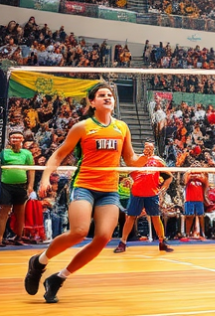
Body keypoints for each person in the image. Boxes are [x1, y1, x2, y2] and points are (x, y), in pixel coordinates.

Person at [24, 82, 150, 303]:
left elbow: (129, 160)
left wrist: (145, 158)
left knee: (103, 237)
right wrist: (44, 178)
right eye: (102, 95)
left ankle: (58, 278)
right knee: (80, 231)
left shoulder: (122, 127)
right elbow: (59, 154)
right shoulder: (82, 127)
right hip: (84, 185)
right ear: (93, 102)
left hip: (109, 190)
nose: (107, 97)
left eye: (110, 95)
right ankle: (39, 262)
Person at [114, 141, 174, 253]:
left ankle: (162, 242)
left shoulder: (158, 161)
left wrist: (162, 190)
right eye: (146, 147)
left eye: (150, 148)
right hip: (136, 193)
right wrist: (128, 180)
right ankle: (122, 243)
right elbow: (128, 174)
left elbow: (169, 177)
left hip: (152, 194)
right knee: (131, 217)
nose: (148, 149)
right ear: (143, 148)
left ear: (154, 149)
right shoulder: (137, 159)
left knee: (156, 217)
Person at [1, 130, 35, 246]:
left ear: (22, 140)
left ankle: (19, 237)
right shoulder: (3, 153)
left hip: (21, 186)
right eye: (13, 138)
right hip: (5, 186)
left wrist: (30, 186)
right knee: (4, 212)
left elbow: (31, 170)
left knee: (20, 212)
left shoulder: (27, 154)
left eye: (17, 138)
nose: (15, 140)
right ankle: (0, 238)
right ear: (9, 140)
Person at [181, 168, 206, 241]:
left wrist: (199, 176)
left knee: (201, 216)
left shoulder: (201, 176)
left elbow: (205, 182)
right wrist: (190, 175)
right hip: (189, 199)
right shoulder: (188, 175)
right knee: (189, 216)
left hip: (199, 199)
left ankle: (202, 233)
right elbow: (185, 181)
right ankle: (187, 234)